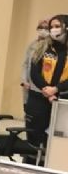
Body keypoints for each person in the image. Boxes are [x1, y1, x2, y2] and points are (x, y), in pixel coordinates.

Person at [27, 15, 68, 158]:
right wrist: (47, 90)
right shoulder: (42, 46)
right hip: (39, 98)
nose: (53, 29)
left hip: (62, 100)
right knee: (34, 139)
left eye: (57, 26)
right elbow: (34, 72)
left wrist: (56, 89)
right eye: (51, 27)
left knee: (57, 141)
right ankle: (31, 165)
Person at [21, 19, 49, 107]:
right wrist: (24, 80)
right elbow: (26, 64)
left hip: (43, 87)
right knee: (27, 108)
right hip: (29, 85)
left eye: (46, 28)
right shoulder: (32, 44)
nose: (43, 30)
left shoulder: (51, 46)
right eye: (40, 27)